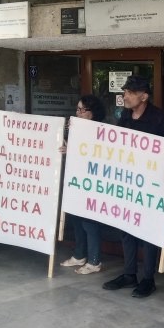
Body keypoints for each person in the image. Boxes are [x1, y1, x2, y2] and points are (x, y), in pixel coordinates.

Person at [102, 75, 164, 298]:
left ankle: (147, 279)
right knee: (126, 229)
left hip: (151, 184)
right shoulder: (125, 115)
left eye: (129, 93)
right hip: (128, 182)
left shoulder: (160, 118)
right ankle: (128, 274)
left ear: (143, 96)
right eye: (124, 92)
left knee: (148, 232)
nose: (124, 96)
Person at [61, 95, 106, 274]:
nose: (78, 113)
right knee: (77, 218)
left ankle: (95, 260)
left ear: (93, 113)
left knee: (90, 221)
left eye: (82, 110)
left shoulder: (101, 132)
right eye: (77, 109)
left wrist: (71, 150)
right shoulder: (76, 129)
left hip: (92, 182)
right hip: (76, 180)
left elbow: (95, 155)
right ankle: (80, 254)